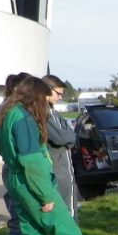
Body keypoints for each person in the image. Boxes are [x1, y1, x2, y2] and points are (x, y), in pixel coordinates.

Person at [0, 75, 91, 235]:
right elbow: (33, 162)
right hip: (33, 183)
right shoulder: (24, 119)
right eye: (44, 97)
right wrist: (45, 196)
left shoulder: (5, 113)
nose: (46, 102)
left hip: (16, 181)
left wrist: (12, 160)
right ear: (34, 96)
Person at [0, 72, 32, 235]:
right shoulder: (19, 114)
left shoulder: (2, 111)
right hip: (22, 170)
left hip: (10, 168)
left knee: (17, 222)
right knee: (25, 223)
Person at [41, 74, 81, 223]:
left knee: (71, 206)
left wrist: (68, 138)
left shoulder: (54, 112)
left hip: (66, 167)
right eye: (58, 93)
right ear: (47, 89)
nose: (60, 97)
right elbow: (61, 138)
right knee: (63, 213)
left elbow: (71, 134)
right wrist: (67, 138)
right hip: (56, 169)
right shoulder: (43, 113)